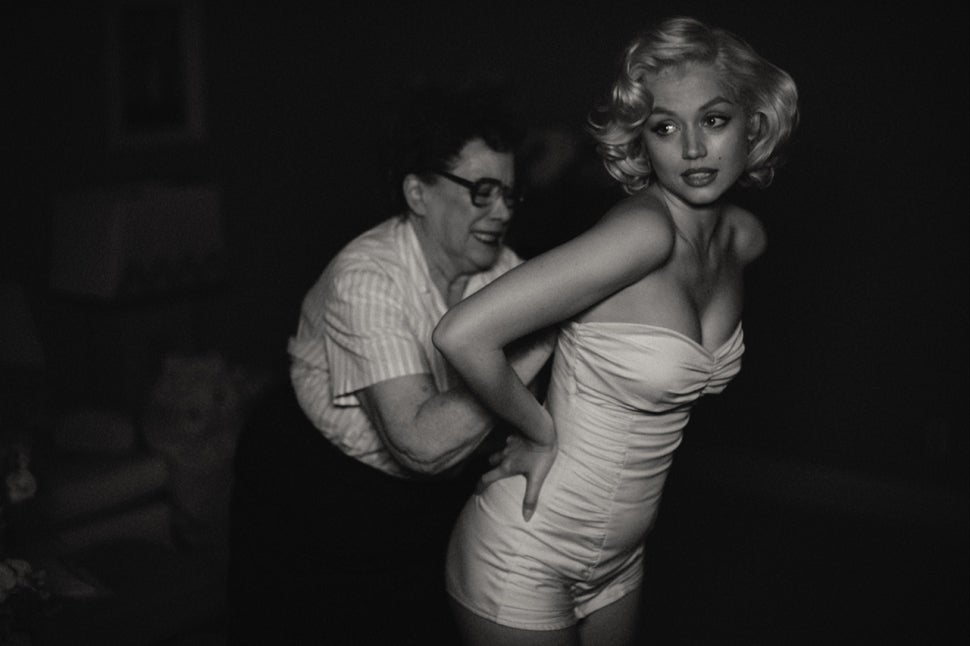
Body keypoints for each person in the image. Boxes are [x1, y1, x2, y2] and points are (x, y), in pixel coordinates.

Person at [432, 16, 799, 646]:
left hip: (621, 558)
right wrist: (539, 430)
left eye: (714, 120)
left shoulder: (743, 239)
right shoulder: (643, 233)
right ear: (641, 141)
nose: (692, 148)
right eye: (664, 127)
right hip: (527, 547)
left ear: (755, 124)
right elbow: (461, 334)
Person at [226, 85, 554, 646]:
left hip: (424, 496)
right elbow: (420, 443)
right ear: (418, 192)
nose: (501, 211)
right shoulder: (365, 277)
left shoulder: (502, 269)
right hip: (315, 486)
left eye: (508, 193)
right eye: (481, 191)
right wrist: (543, 334)